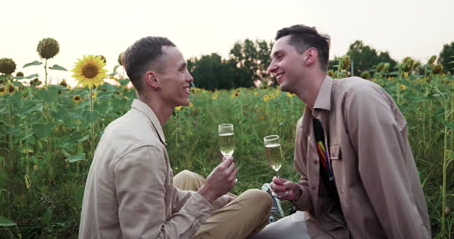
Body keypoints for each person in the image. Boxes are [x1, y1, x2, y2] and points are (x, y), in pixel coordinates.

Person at [79, 36, 272, 239]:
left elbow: (165, 198)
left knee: (187, 178)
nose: (190, 77)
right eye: (181, 69)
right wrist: (207, 194)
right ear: (153, 80)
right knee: (258, 200)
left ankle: (239, 212)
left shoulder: (124, 126)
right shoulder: (144, 149)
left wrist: (218, 200)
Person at [262, 24, 431, 238]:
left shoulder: (359, 99)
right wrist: (298, 192)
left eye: (279, 56)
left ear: (309, 56)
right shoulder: (304, 126)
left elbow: (392, 195)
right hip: (327, 226)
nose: (271, 67)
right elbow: (315, 190)